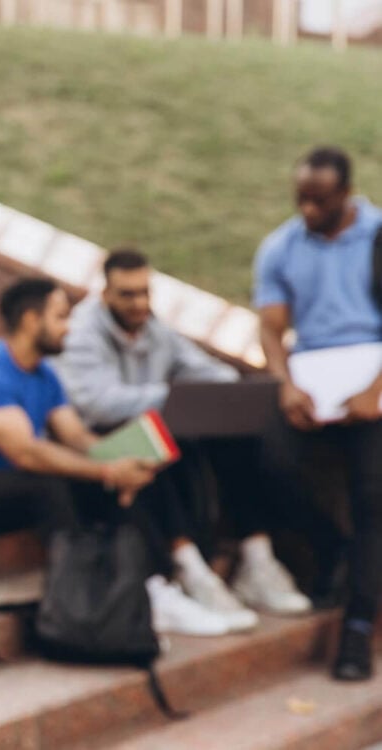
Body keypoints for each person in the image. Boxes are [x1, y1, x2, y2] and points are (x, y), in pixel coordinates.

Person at [0, 276, 240, 637]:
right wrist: (106, 471)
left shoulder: (45, 373)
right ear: (31, 320)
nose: (70, 328)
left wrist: (126, 462)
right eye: (61, 317)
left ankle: (162, 581)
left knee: (136, 474)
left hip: (22, 479)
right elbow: (26, 453)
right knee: (53, 486)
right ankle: (86, 600)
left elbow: (76, 437)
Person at [54, 248, 312, 624]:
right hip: (98, 444)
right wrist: (173, 398)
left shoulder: (153, 326)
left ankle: (256, 557)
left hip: (154, 427)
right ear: (105, 293)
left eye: (145, 292)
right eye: (127, 294)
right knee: (159, 437)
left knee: (234, 433)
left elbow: (208, 370)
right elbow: (98, 404)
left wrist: (224, 394)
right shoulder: (82, 333)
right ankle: (189, 568)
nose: (139, 303)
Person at [254, 145, 382, 681]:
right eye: (301, 199)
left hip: (374, 372)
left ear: (345, 194)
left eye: (320, 201)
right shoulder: (281, 246)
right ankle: (332, 547)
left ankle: (358, 626)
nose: (308, 209)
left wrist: (374, 389)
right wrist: (285, 384)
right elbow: (270, 327)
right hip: (311, 375)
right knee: (269, 464)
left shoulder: (377, 235)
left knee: (373, 495)